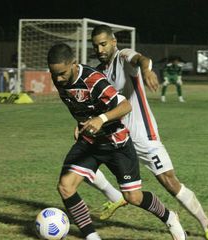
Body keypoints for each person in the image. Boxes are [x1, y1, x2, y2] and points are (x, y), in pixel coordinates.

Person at [88, 25, 208, 240]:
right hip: (119, 137)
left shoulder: (123, 57)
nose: (100, 49)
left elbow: (142, 59)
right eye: (96, 46)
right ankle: (113, 195)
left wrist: (147, 70)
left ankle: (207, 223)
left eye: (103, 44)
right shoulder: (100, 72)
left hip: (143, 135)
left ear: (113, 42)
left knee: (169, 182)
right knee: (83, 162)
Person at [47, 43, 187, 240]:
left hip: (116, 143)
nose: (58, 79)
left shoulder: (94, 80)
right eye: (54, 74)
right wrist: (81, 124)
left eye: (62, 73)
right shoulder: (59, 79)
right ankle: (91, 237)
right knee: (65, 186)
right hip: (90, 143)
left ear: (74, 64)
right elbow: (82, 104)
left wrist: (101, 119)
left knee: (133, 197)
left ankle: (170, 217)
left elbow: (125, 105)